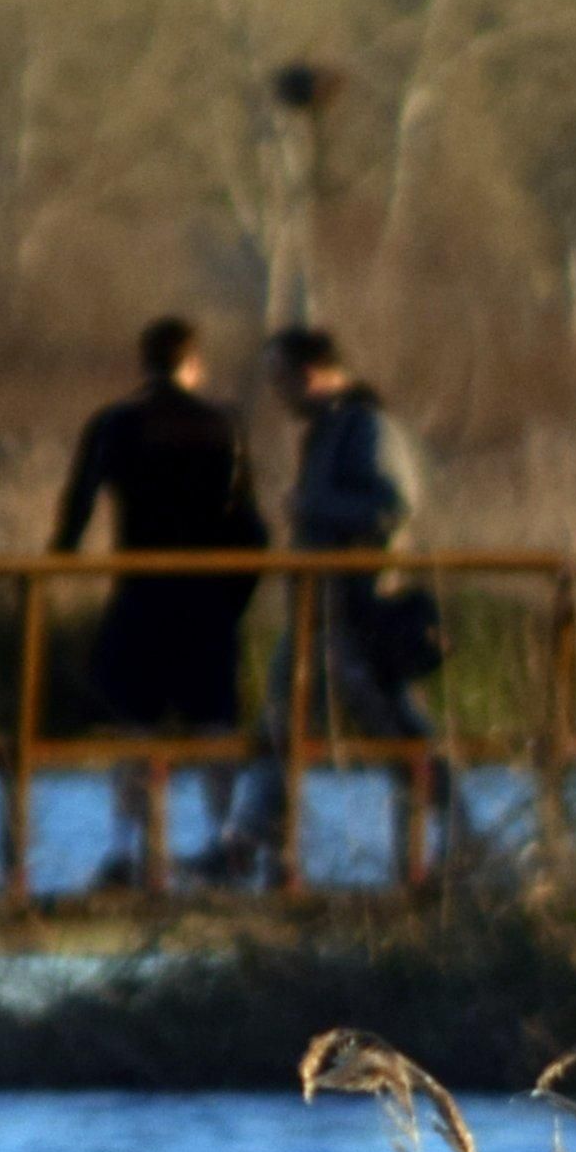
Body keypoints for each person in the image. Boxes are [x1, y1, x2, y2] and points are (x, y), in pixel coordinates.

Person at [222, 325, 447, 874]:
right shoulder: (329, 430)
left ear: (309, 373)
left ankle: (458, 837)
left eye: (280, 380)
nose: (277, 395)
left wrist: (312, 505)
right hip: (319, 614)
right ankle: (252, 847)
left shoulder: (366, 426)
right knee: (284, 722)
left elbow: (393, 507)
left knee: (397, 729)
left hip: (361, 611)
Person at [54, 313, 265, 878]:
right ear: (194, 364)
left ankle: (127, 850)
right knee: (216, 722)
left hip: (141, 594)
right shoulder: (224, 425)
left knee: (133, 724)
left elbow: (77, 504)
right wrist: (238, 593)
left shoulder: (114, 424)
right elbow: (250, 523)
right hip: (207, 600)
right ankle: (225, 838)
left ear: (144, 363)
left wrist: (59, 558)